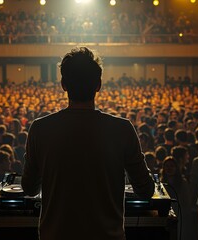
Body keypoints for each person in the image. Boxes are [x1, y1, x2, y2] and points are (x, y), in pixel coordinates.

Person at [21, 47, 154, 240]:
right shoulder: (122, 129)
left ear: (63, 84)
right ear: (98, 85)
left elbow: (29, 189)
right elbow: (146, 190)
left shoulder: (40, 129)